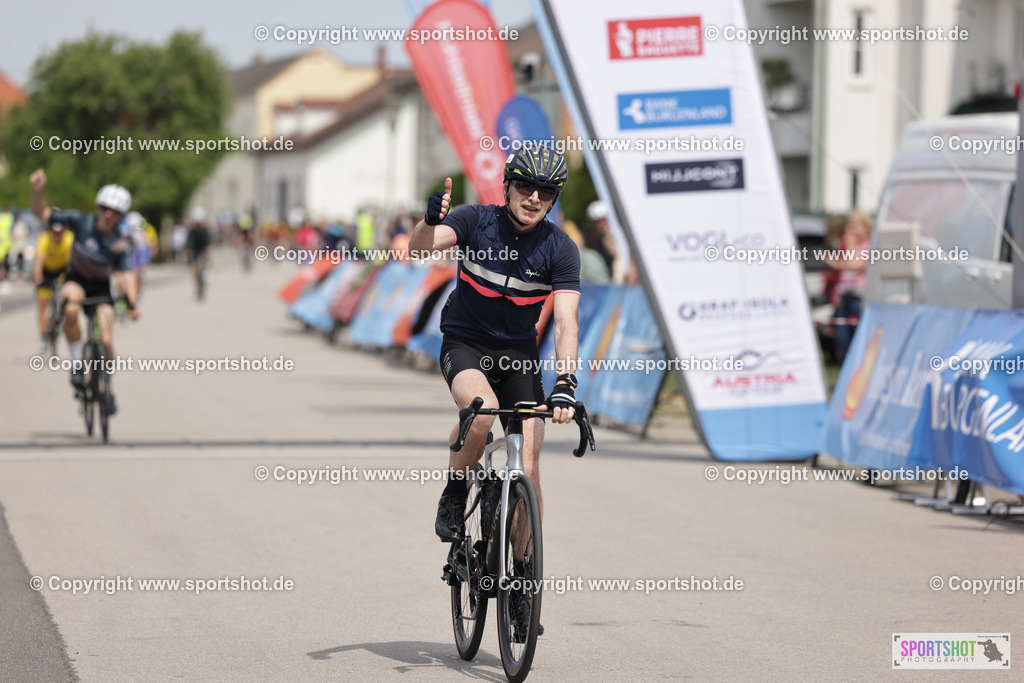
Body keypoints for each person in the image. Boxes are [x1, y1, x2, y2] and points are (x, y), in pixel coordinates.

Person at [409, 145, 581, 640]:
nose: (532, 198)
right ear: (507, 185)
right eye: (524, 186)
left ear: (553, 200)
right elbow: (419, 250)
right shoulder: (474, 221)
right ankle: (456, 487)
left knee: (528, 464)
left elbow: (566, 320)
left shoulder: (560, 248)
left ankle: (522, 576)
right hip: (464, 344)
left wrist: (566, 384)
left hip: (519, 357)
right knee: (480, 415)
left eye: (544, 192)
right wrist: (427, 222)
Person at [30, 169, 140, 415]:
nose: (107, 214)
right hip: (77, 280)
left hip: (102, 288)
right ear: (98, 207)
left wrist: (132, 303)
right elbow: (42, 213)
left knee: (107, 338)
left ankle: (108, 388)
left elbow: (127, 273)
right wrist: (38, 191)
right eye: (103, 208)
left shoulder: (119, 239)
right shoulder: (81, 222)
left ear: (121, 216)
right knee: (70, 306)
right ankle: (77, 364)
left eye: (114, 212)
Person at [828, 211, 873, 364]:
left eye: (854, 225)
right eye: (849, 225)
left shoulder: (868, 246)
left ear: (865, 227)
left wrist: (850, 246)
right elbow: (844, 266)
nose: (850, 229)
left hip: (857, 297)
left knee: (856, 340)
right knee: (842, 340)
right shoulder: (851, 247)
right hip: (844, 297)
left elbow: (855, 265)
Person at [33, 214, 75, 349]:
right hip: (46, 271)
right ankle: (43, 335)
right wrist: (38, 275)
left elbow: (71, 260)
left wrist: (69, 279)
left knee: (65, 300)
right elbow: (39, 258)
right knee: (43, 304)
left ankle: (58, 320)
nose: (57, 235)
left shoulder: (69, 238)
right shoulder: (45, 238)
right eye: (55, 232)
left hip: (62, 270)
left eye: (60, 232)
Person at [585, 200, 620, 281]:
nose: (600, 224)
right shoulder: (591, 236)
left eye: (603, 220)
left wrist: (607, 236)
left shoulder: (614, 234)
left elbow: (615, 254)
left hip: (612, 277)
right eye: (597, 221)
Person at [185, 207, 212, 300]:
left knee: (205, 261)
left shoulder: (205, 231)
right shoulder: (191, 231)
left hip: (203, 248)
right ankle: (197, 284)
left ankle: (206, 272)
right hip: (195, 249)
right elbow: (189, 246)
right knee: (194, 268)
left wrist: (207, 256)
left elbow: (207, 245)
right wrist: (189, 255)